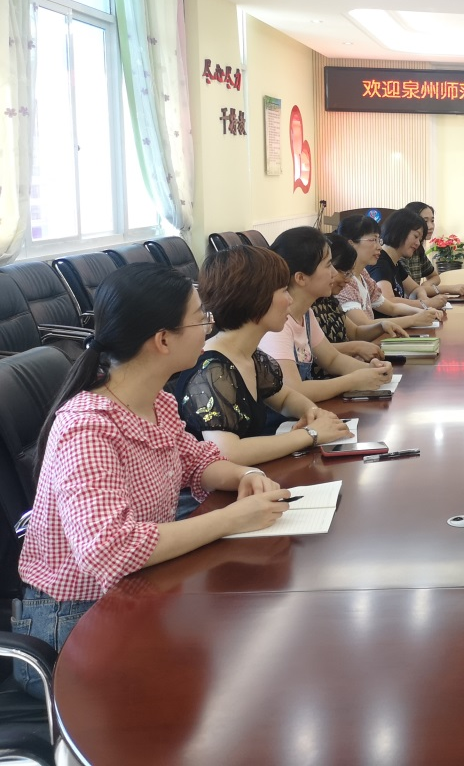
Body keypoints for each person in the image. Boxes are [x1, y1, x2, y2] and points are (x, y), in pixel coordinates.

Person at [12, 264, 294, 693]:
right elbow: (110, 548)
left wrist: (246, 474)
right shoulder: (88, 427)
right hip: (74, 621)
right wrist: (232, 519)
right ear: (163, 340)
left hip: (136, 589)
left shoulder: (156, 402)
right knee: (227, 676)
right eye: (200, 319)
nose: (209, 327)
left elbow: (197, 460)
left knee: (244, 651)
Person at [172, 245, 351, 464]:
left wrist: (312, 411)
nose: (290, 299)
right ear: (255, 298)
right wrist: (310, 434)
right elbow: (228, 452)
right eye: (283, 290)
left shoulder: (250, 355)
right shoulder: (211, 369)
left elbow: (284, 398)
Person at [261, 227, 395, 402]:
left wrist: (372, 369)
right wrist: (352, 381)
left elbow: (332, 359)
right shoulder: (277, 324)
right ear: (301, 278)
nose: (334, 272)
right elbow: (294, 390)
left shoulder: (305, 314)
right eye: (328, 265)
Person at [311, 234, 413, 362]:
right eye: (345, 273)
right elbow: (323, 354)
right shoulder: (307, 309)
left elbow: (355, 333)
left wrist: (381, 326)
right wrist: (357, 349)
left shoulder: (329, 300)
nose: (348, 280)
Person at [335, 215, 446, 330]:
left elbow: (392, 307)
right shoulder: (344, 281)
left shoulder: (363, 275)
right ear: (351, 244)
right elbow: (363, 324)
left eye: (379, 240)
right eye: (373, 240)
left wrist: (422, 311)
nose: (379, 247)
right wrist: (414, 319)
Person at [404, 201, 464, 298]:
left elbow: (435, 277)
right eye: (425, 221)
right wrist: (449, 289)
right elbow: (413, 291)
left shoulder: (418, 249)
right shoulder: (402, 252)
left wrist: (426, 285)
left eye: (432, 221)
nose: (431, 226)